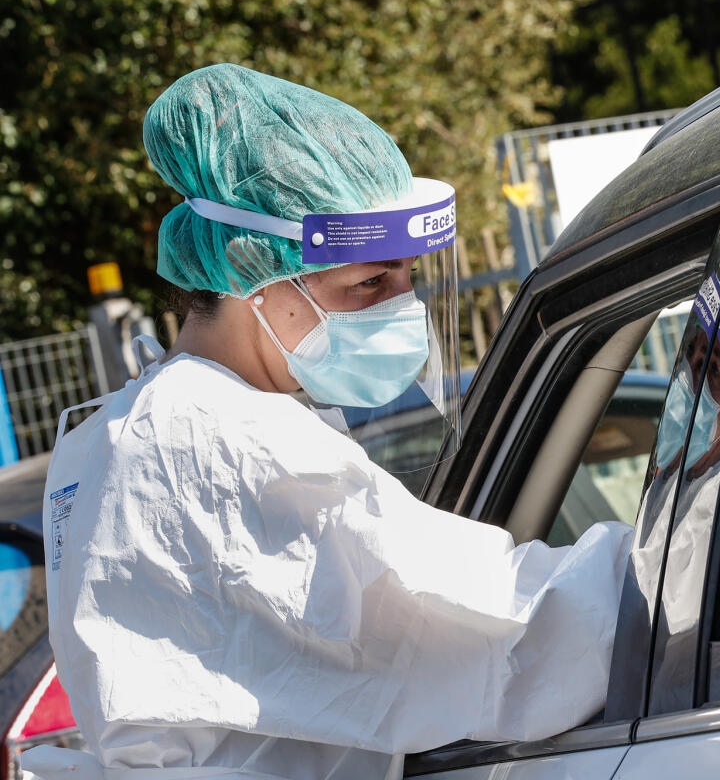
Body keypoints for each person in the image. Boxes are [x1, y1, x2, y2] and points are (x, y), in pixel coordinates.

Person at [24, 64, 632, 780]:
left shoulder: (129, 427)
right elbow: (500, 631)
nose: (401, 306)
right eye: (369, 282)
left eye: (408, 277)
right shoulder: (230, 443)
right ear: (250, 271)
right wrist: (676, 554)